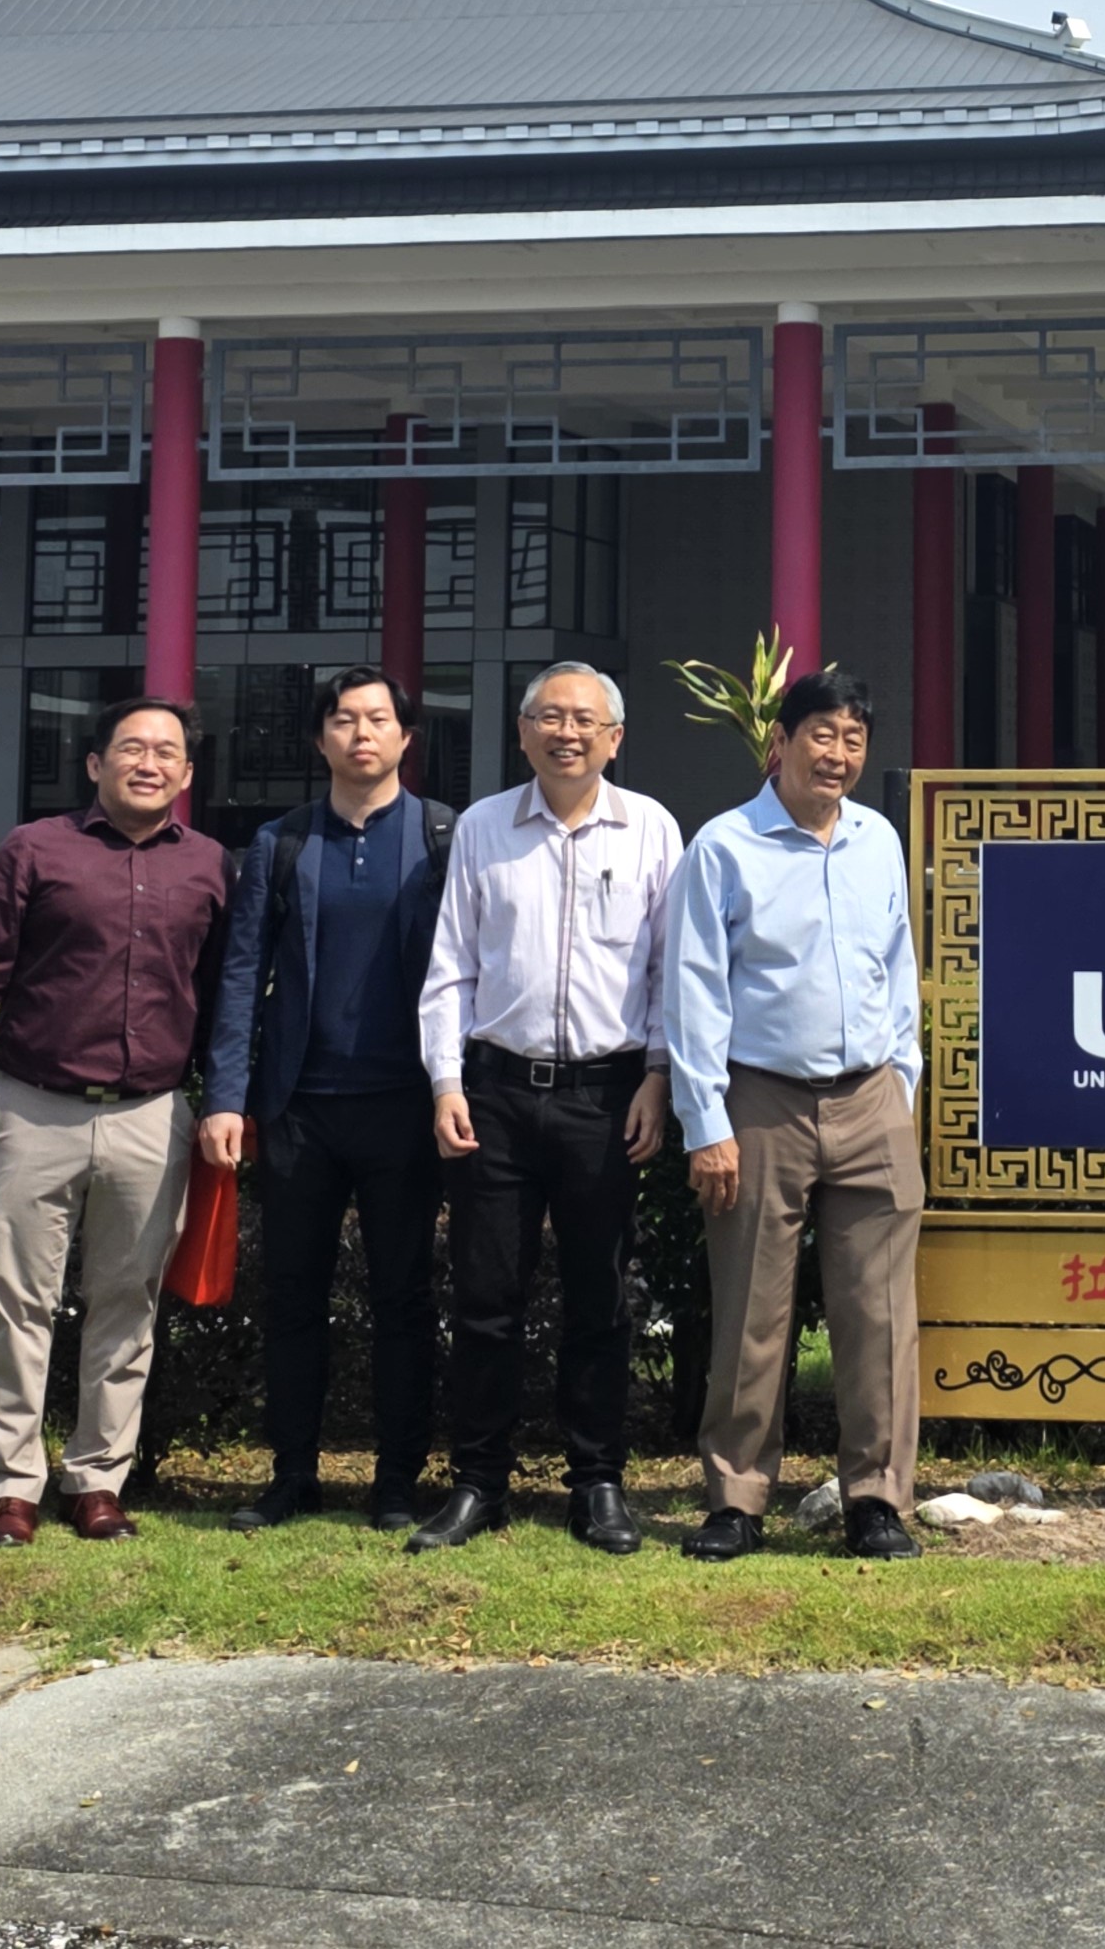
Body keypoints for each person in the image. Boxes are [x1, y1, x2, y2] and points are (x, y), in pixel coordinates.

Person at [0, 696, 233, 1549]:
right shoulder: (34, 851)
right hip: (34, 1111)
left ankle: (97, 1480)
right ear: (95, 763)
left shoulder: (208, 866)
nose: (149, 762)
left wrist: (224, 1099)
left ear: (188, 775)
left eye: (167, 751)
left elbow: (219, 1000)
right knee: (15, 1304)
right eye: (131, 747)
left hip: (151, 1117)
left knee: (127, 1306)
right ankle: (10, 1488)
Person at [411, 661, 683, 1554]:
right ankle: (478, 1483)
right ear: (523, 732)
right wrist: (446, 1082)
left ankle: (597, 1482)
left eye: (586, 720)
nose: (567, 733)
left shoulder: (650, 829)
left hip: (608, 1099)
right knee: (486, 1298)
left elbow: (668, 972)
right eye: (549, 718)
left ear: (615, 737)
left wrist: (656, 1077)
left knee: (600, 1301)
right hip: (495, 1095)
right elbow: (451, 966)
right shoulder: (485, 827)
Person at [661, 669, 927, 1564]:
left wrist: (904, 1083)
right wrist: (705, 1120)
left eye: (854, 738)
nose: (838, 755)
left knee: (880, 1312)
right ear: (780, 741)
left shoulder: (879, 841)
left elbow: (899, 966)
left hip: (870, 1099)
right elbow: (692, 987)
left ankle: (876, 1500)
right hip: (761, 1099)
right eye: (822, 734)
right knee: (750, 1312)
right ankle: (736, 1500)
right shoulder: (724, 848)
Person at [203, 667, 458, 1535]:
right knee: (293, 1296)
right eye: (344, 721)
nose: (361, 735)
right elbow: (242, 977)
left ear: (404, 739)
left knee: (402, 1298)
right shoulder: (281, 844)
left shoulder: (442, 839)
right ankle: (291, 1473)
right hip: (299, 1109)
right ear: (320, 740)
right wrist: (226, 1098)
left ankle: (396, 1480)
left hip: (402, 1106)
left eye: (379, 720)